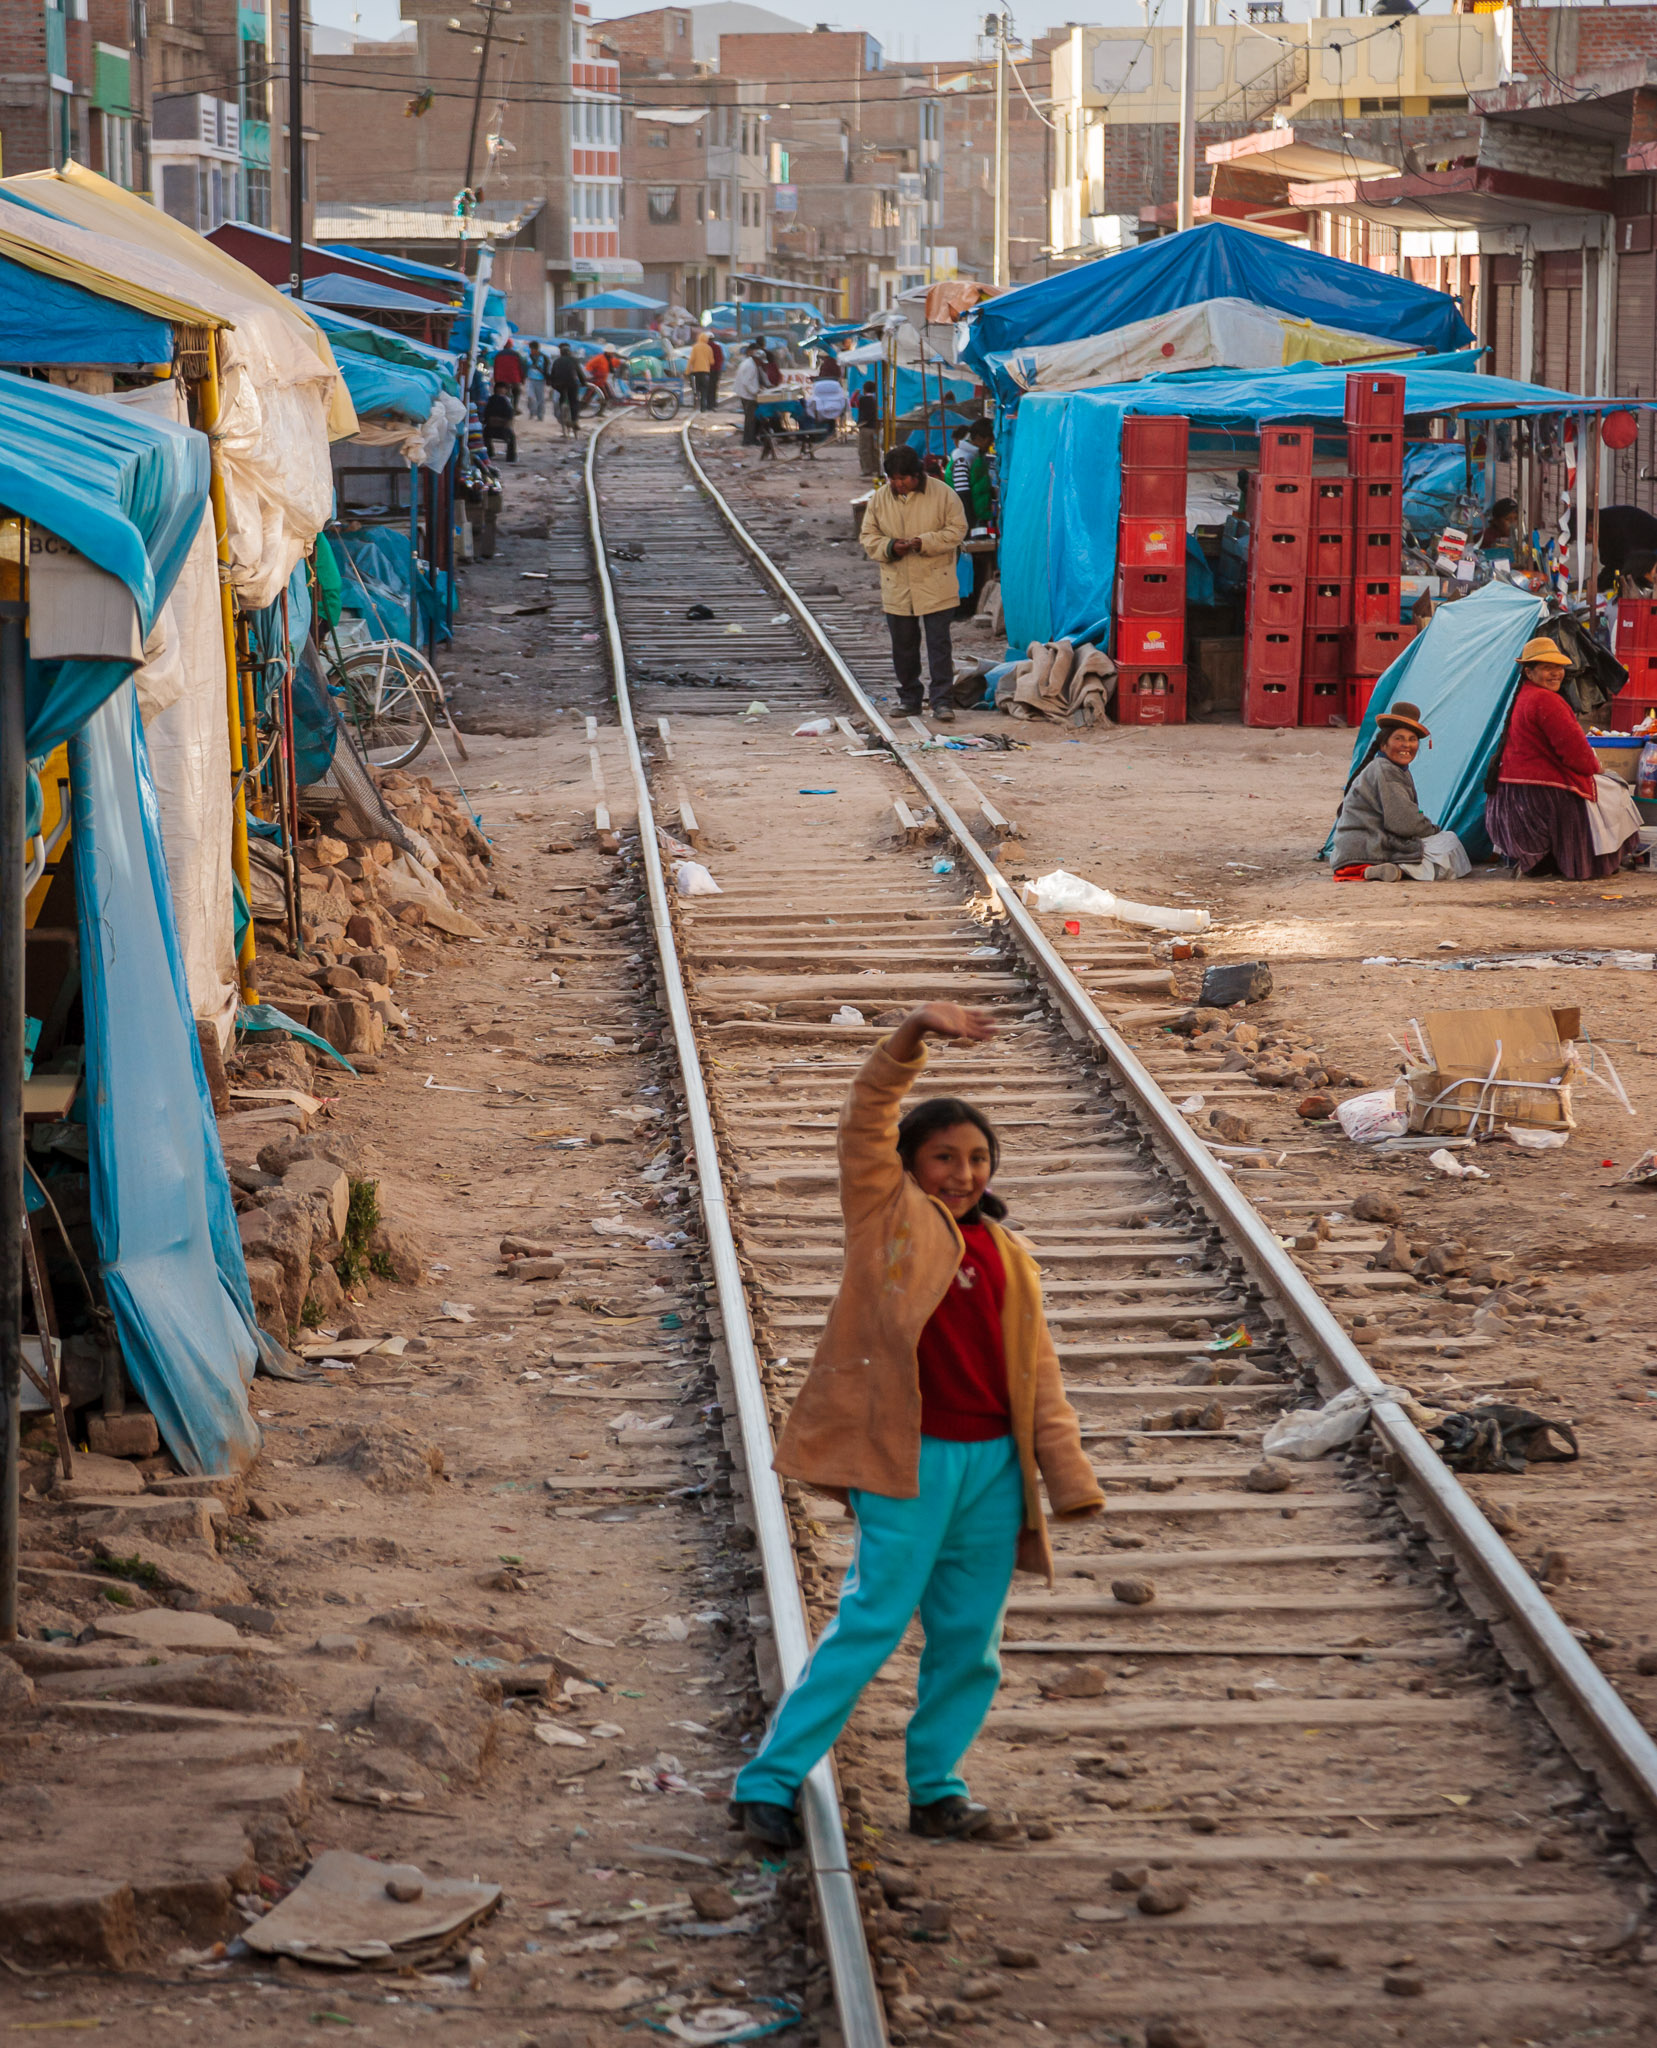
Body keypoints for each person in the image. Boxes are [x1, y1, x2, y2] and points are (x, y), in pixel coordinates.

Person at [727, 1002, 1104, 1852]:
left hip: (992, 1473)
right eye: (943, 1157)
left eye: (976, 1159)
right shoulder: (883, 1216)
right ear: (908, 1165)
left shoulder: (1007, 1254)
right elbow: (866, 1113)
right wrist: (909, 1035)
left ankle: (936, 1790)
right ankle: (768, 1783)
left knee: (970, 1642)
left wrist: (1066, 1476)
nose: (962, 1173)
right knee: (870, 1622)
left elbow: (1035, 1375)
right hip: (909, 1460)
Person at [1485, 637, 1643, 879]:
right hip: (1542, 792)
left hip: (1513, 789)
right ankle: (1591, 861)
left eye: (1558, 667)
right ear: (1529, 672)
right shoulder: (1547, 701)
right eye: (1548, 668)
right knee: (1614, 789)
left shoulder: (1524, 696)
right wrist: (1597, 768)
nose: (1556, 673)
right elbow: (1578, 755)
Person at [861, 445, 969, 721]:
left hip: (936, 582)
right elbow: (868, 535)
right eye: (893, 479)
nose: (897, 484)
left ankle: (942, 701)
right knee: (903, 646)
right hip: (898, 584)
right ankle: (909, 698)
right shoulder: (880, 499)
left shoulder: (943, 494)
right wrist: (889, 546)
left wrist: (926, 542)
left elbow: (957, 530)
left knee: (939, 645)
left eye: (902, 478)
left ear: (916, 475)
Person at [1330, 702, 1465, 881]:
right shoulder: (1385, 769)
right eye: (1399, 739)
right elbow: (1403, 822)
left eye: (1412, 739)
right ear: (1384, 745)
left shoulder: (1392, 767)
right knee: (1448, 841)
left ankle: (1381, 870)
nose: (1406, 745)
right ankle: (1400, 869)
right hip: (1369, 846)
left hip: (1358, 847)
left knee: (1444, 842)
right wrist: (1433, 830)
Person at [546, 343, 587, 437]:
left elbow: (552, 373)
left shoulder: (556, 361)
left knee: (562, 396)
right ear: (569, 353)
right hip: (571, 383)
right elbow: (579, 373)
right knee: (574, 401)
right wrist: (583, 382)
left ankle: (562, 407)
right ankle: (575, 420)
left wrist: (552, 384)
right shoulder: (573, 360)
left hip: (558, 384)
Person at [733, 342, 766, 447]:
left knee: (751, 418)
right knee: (751, 419)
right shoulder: (750, 366)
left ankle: (750, 438)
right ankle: (748, 440)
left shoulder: (749, 363)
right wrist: (755, 392)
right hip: (747, 395)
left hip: (745, 393)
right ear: (757, 359)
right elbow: (747, 382)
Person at [481, 387, 517, 463]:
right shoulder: (506, 402)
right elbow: (509, 417)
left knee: (484, 435)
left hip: (489, 430)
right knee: (512, 438)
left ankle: (489, 453)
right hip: (503, 430)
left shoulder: (490, 400)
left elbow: (485, 415)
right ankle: (511, 458)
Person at [491, 338, 524, 412]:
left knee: (504, 394)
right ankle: (515, 407)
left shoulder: (498, 354)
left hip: (501, 379)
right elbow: (521, 368)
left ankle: (504, 408)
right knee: (517, 391)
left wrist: (496, 380)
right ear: (511, 345)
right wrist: (522, 379)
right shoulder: (516, 354)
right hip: (514, 379)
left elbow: (495, 367)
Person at [856, 382, 881, 478]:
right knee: (874, 449)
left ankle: (867, 469)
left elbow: (853, 403)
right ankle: (876, 468)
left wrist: (855, 394)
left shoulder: (863, 399)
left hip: (865, 427)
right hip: (874, 427)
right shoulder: (874, 400)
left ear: (864, 389)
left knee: (864, 449)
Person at [687, 330, 716, 412]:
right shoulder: (709, 348)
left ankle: (696, 406)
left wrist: (687, 371)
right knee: (704, 390)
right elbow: (712, 362)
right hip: (705, 372)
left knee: (696, 390)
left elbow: (691, 360)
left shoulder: (695, 347)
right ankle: (703, 408)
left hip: (695, 372)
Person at [524, 342, 547, 422]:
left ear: (536, 349)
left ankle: (540, 416)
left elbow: (547, 369)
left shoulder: (544, 357)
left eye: (532, 349)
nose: (531, 351)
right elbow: (525, 367)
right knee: (530, 397)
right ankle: (532, 412)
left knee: (540, 399)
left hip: (540, 380)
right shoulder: (528, 357)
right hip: (530, 379)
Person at [707, 335, 725, 407]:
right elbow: (721, 358)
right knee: (714, 387)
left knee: (707, 387)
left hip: (707, 370)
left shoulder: (706, 347)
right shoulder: (717, 347)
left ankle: (708, 404)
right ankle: (713, 403)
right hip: (716, 370)